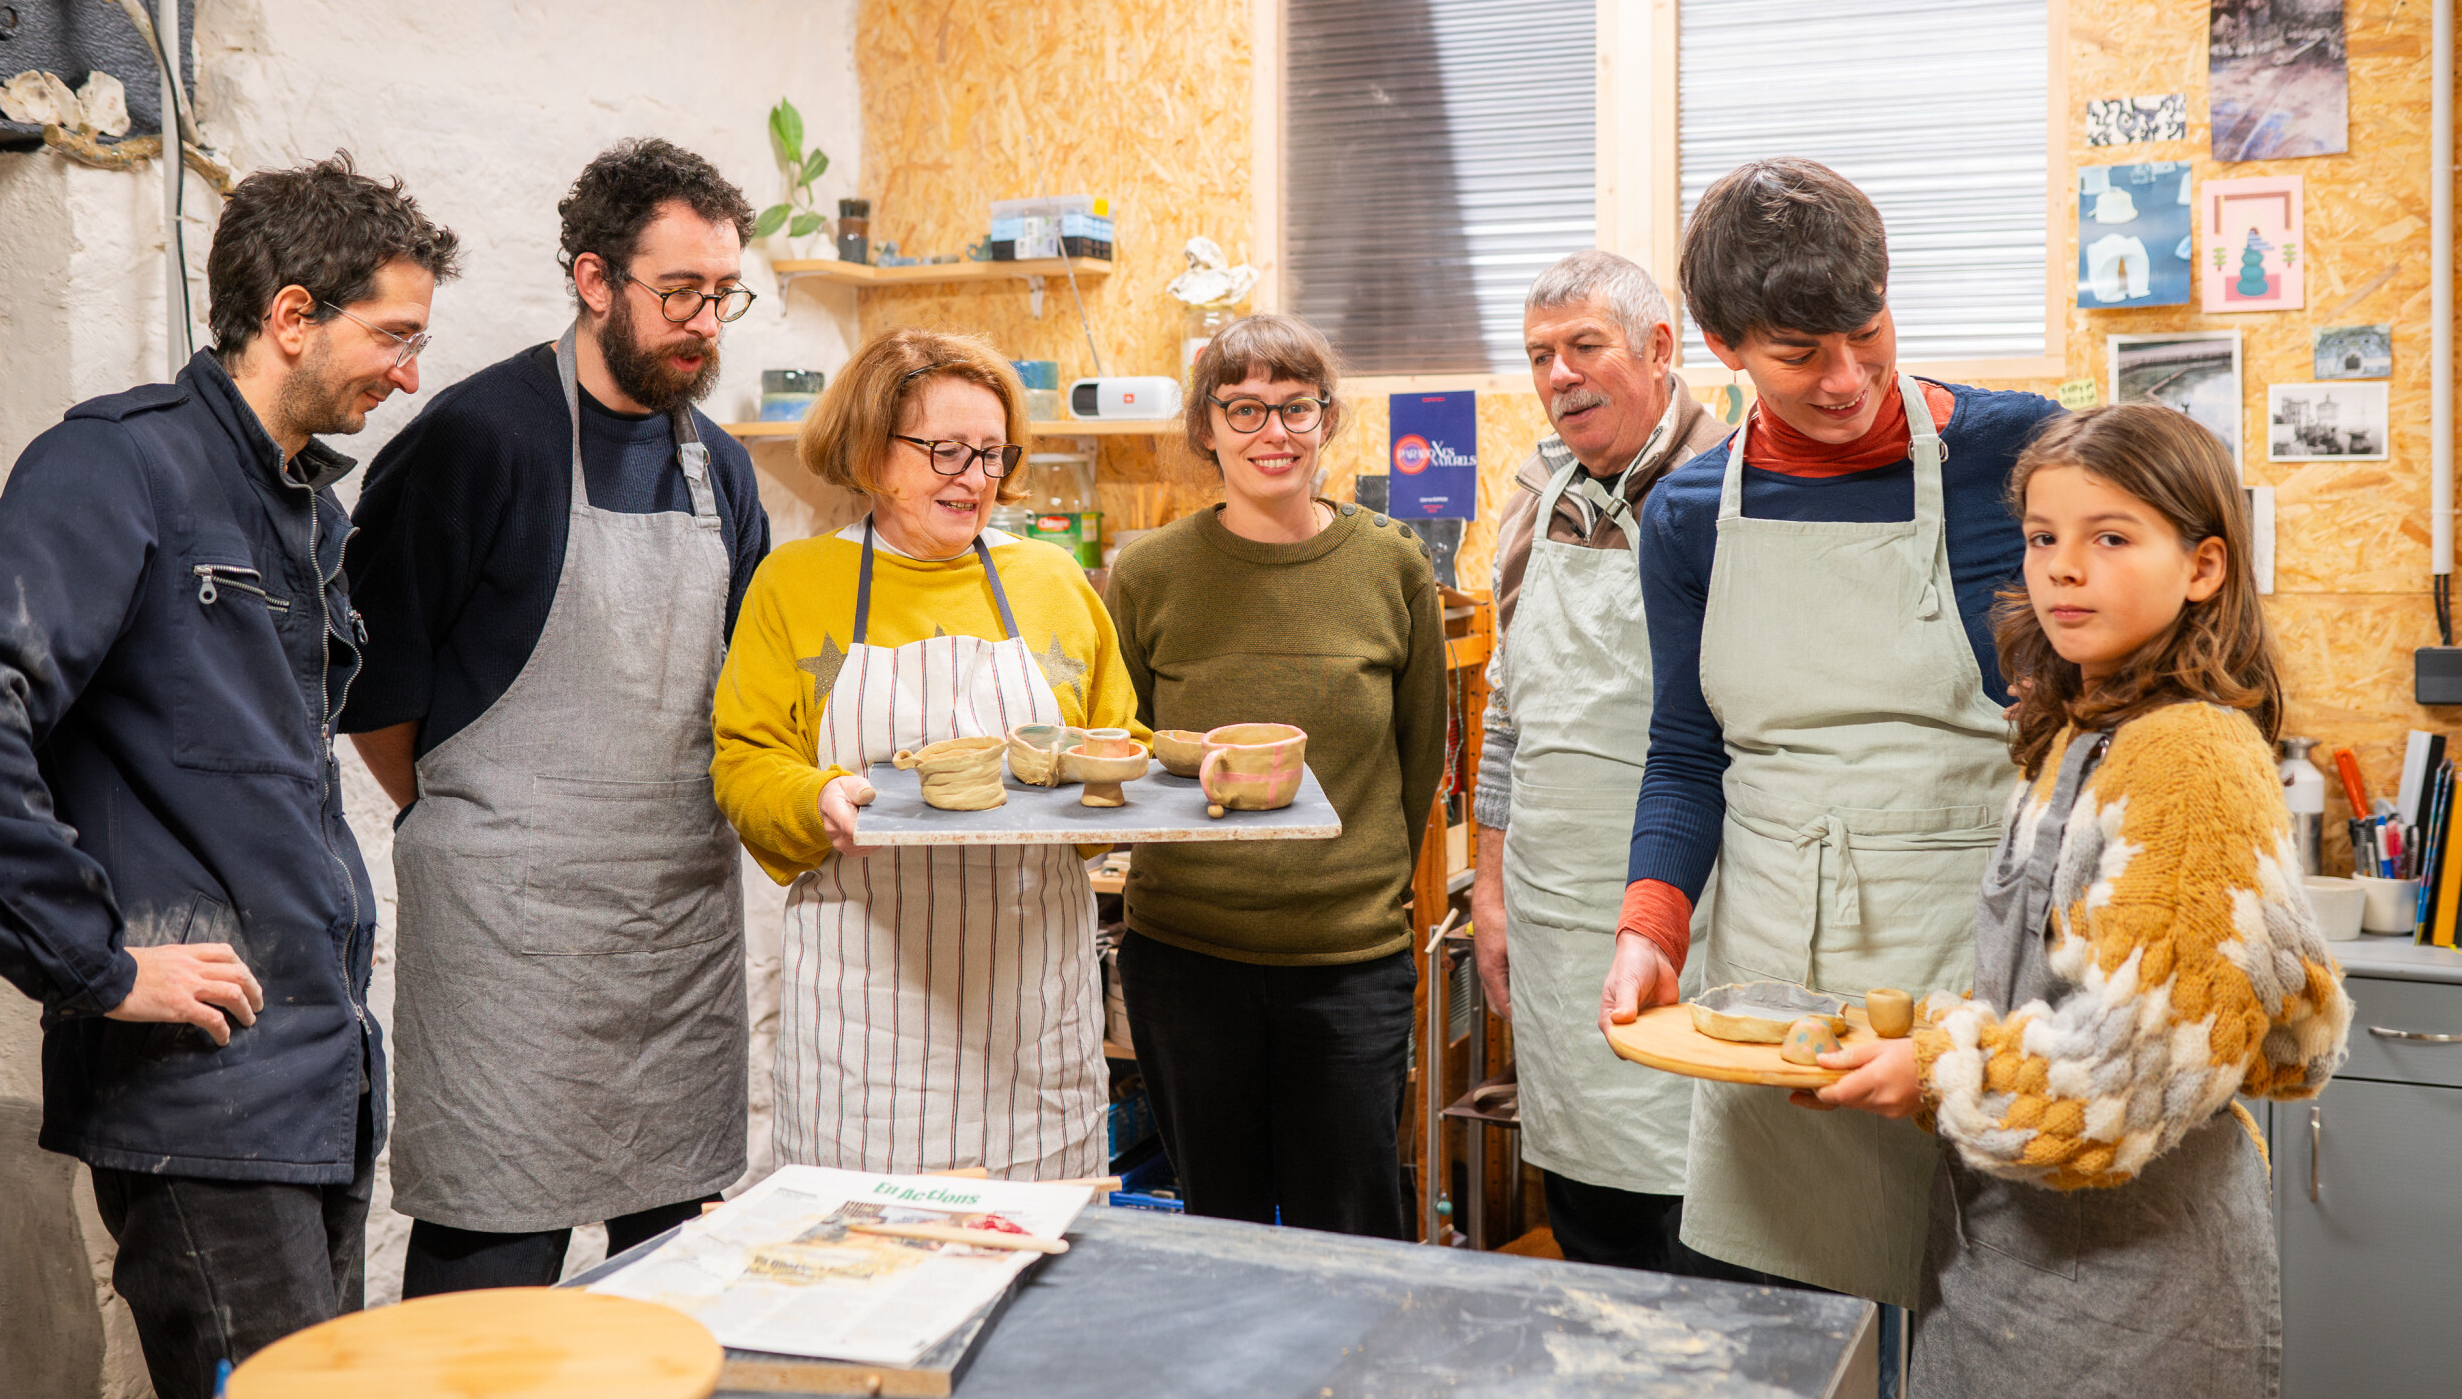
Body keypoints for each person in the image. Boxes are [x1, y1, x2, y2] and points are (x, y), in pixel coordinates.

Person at [0, 156, 455, 1397]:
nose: (409, 374)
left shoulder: (302, 510)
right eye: (393, 337)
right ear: (291, 314)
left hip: (314, 1080)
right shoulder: (120, 466)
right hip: (202, 1099)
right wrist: (96, 961)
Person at [1598, 156, 2064, 1315]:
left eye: (1867, 332)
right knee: (1793, 1324)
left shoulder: (2020, 459)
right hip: (1776, 975)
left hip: (1977, 956)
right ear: (1720, 345)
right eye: (1799, 356)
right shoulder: (1691, 515)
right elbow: (1684, 752)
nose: (1848, 377)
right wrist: (1651, 918)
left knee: (1990, 1321)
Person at [1811, 403, 2351, 1396]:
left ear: (2202, 568)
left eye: (2109, 536)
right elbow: (2057, 998)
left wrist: (1931, 1068)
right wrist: (1920, 1033)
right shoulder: (2083, 732)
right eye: (2040, 537)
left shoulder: (2189, 759)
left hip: (2130, 1306)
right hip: (2002, 1273)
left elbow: (2127, 1076)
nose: (2061, 566)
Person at [344, 139, 771, 1294]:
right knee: (493, 1251)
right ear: (593, 280)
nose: (706, 323)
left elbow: (732, 691)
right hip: (506, 935)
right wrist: (497, 821)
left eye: (723, 295)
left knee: (671, 1262)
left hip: (674, 926)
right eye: (679, 293)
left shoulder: (719, 471)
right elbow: (372, 691)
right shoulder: (477, 440)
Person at [712, 328, 1141, 1180]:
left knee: (1040, 1263)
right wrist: (813, 799)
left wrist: (1138, 777)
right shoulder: (796, 584)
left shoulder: (1053, 583)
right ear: (872, 452)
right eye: (945, 450)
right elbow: (746, 757)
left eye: (990, 454)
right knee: (868, 1266)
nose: (973, 476)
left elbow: (1115, 735)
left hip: (1033, 1005)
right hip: (868, 1008)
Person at [1108, 314, 1447, 1239]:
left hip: (1345, 967)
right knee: (1218, 1228)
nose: (1274, 431)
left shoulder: (1392, 565)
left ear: (1328, 420)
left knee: (1354, 1229)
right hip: (1186, 962)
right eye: (1245, 408)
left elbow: (1417, 760)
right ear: (1205, 428)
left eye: (1297, 406)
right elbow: (1130, 748)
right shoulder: (1149, 575)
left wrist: (1350, 884)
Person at [1469, 251, 1732, 1271]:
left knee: (1708, 1227)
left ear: (1658, 348)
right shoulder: (1534, 494)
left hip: (1699, 919)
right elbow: (1506, 714)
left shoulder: (1733, 484)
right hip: (1553, 917)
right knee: (1593, 1223)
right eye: (1539, 355)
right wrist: (1489, 890)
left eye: (1583, 346)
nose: (1558, 375)